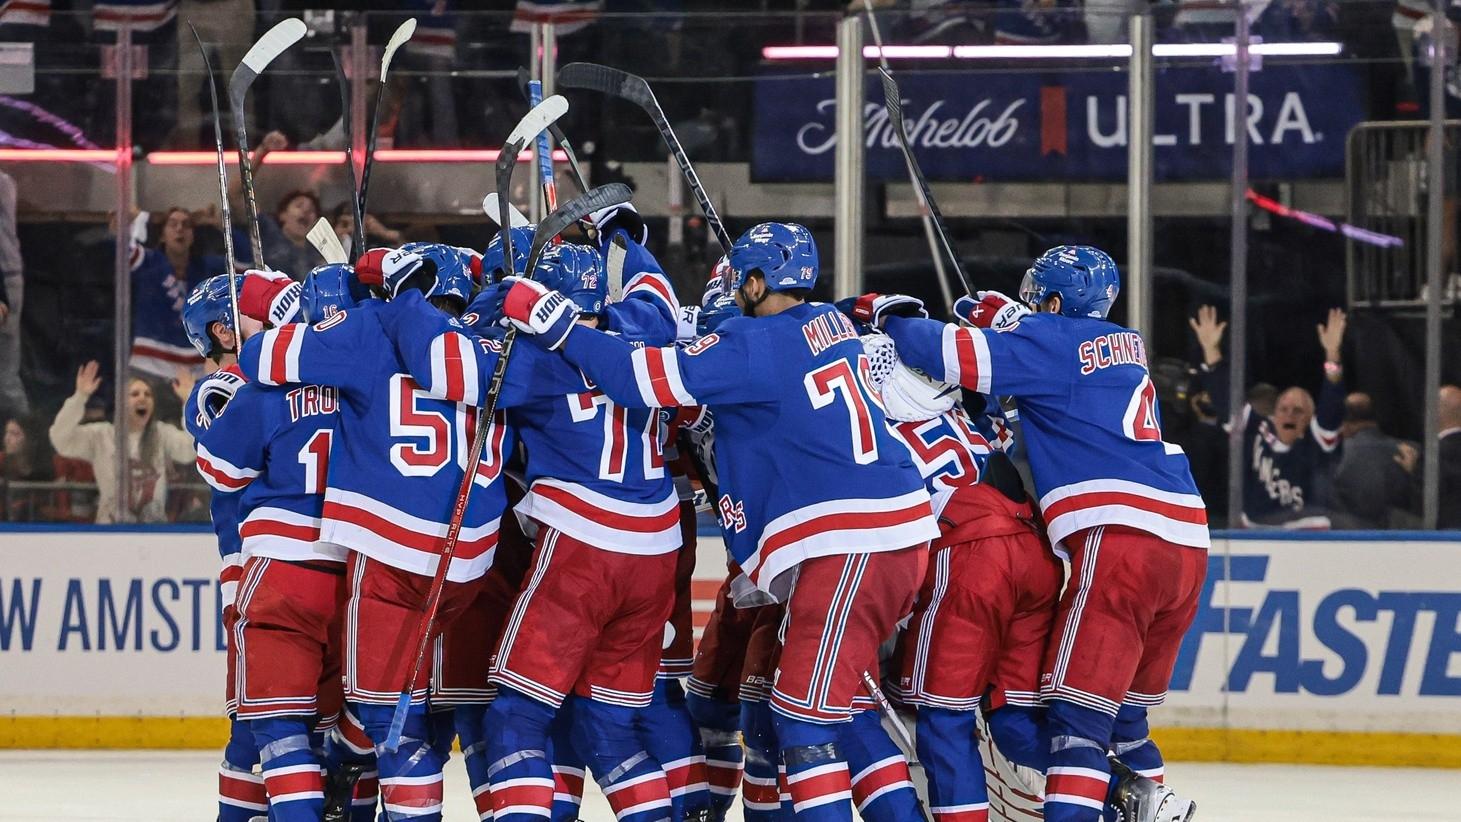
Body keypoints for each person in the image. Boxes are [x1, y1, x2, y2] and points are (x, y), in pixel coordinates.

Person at [498, 221, 939, 821]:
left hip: (850, 544)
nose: (734, 292)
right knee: (838, 709)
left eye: (740, 282)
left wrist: (556, 324)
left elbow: (637, 378)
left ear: (757, 283)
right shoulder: (834, 325)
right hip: (890, 535)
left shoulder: (750, 346)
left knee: (801, 721)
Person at [857, 245, 1205, 822]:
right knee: (1127, 720)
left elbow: (945, 350)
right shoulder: (1128, 347)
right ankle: (1150, 800)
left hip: (1115, 538)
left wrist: (888, 314)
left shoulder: (1047, 348)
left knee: (1078, 725)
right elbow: (1052, 409)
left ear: (1053, 301)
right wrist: (1014, 327)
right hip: (1187, 534)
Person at [382, 235, 687, 822]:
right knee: (611, 728)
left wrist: (418, 296)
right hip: (658, 553)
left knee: (515, 716)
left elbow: (442, 366)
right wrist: (623, 238)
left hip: (583, 548)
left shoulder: (536, 360)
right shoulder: (646, 327)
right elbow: (658, 295)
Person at [234, 245, 529, 822]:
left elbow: (260, 358)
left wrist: (296, 310)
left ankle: (362, 775)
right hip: (472, 562)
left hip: (392, 554)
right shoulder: (496, 341)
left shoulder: (371, 327)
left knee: (390, 720)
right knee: (447, 709)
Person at [859, 330, 1065, 822]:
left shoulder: (872, 421)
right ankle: (1121, 789)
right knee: (1013, 717)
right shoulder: (961, 411)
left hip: (971, 558)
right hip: (1034, 553)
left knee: (945, 721)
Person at [1190, 303, 1347, 528]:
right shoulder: (1256, 430)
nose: (1289, 415)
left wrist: (1332, 356)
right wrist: (1211, 351)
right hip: (1255, 533)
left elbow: (1332, 403)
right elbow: (1225, 399)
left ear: (1310, 420)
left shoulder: (1316, 443)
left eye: (1298, 411)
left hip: (1308, 538)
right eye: (1283, 409)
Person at [48, 362, 196, 523]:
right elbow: (61, 439)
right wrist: (80, 397)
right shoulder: (102, 435)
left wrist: (189, 401)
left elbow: (190, 450)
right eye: (135, 394)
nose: (142, 398)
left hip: (154, 532)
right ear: (121, 403)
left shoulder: (161, 434)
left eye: (148, 394)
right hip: (110, 531)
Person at [1331, 392, 1416, 529]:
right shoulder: (1410, 452)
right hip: (1402, 540)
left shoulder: (1334, 455)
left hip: (1347, 539)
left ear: (1344, 424)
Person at [0, 169, 28, 418]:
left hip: (5, 276)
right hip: (7, 273)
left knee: (5, 372)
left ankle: (23, 442)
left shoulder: (3, 182)